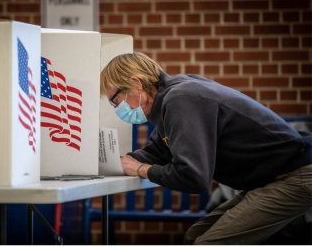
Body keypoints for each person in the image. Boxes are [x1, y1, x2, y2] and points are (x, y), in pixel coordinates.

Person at [100, 51, 312, 244]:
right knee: (194, 236)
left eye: (115, 100)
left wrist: (140, 169)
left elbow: (193, 177)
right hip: (271, 177)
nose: (118, 108)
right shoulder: (172, 96)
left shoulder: (180, 99)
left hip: (295, 174)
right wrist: (114, 162)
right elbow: (158, 152)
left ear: (136, 83)